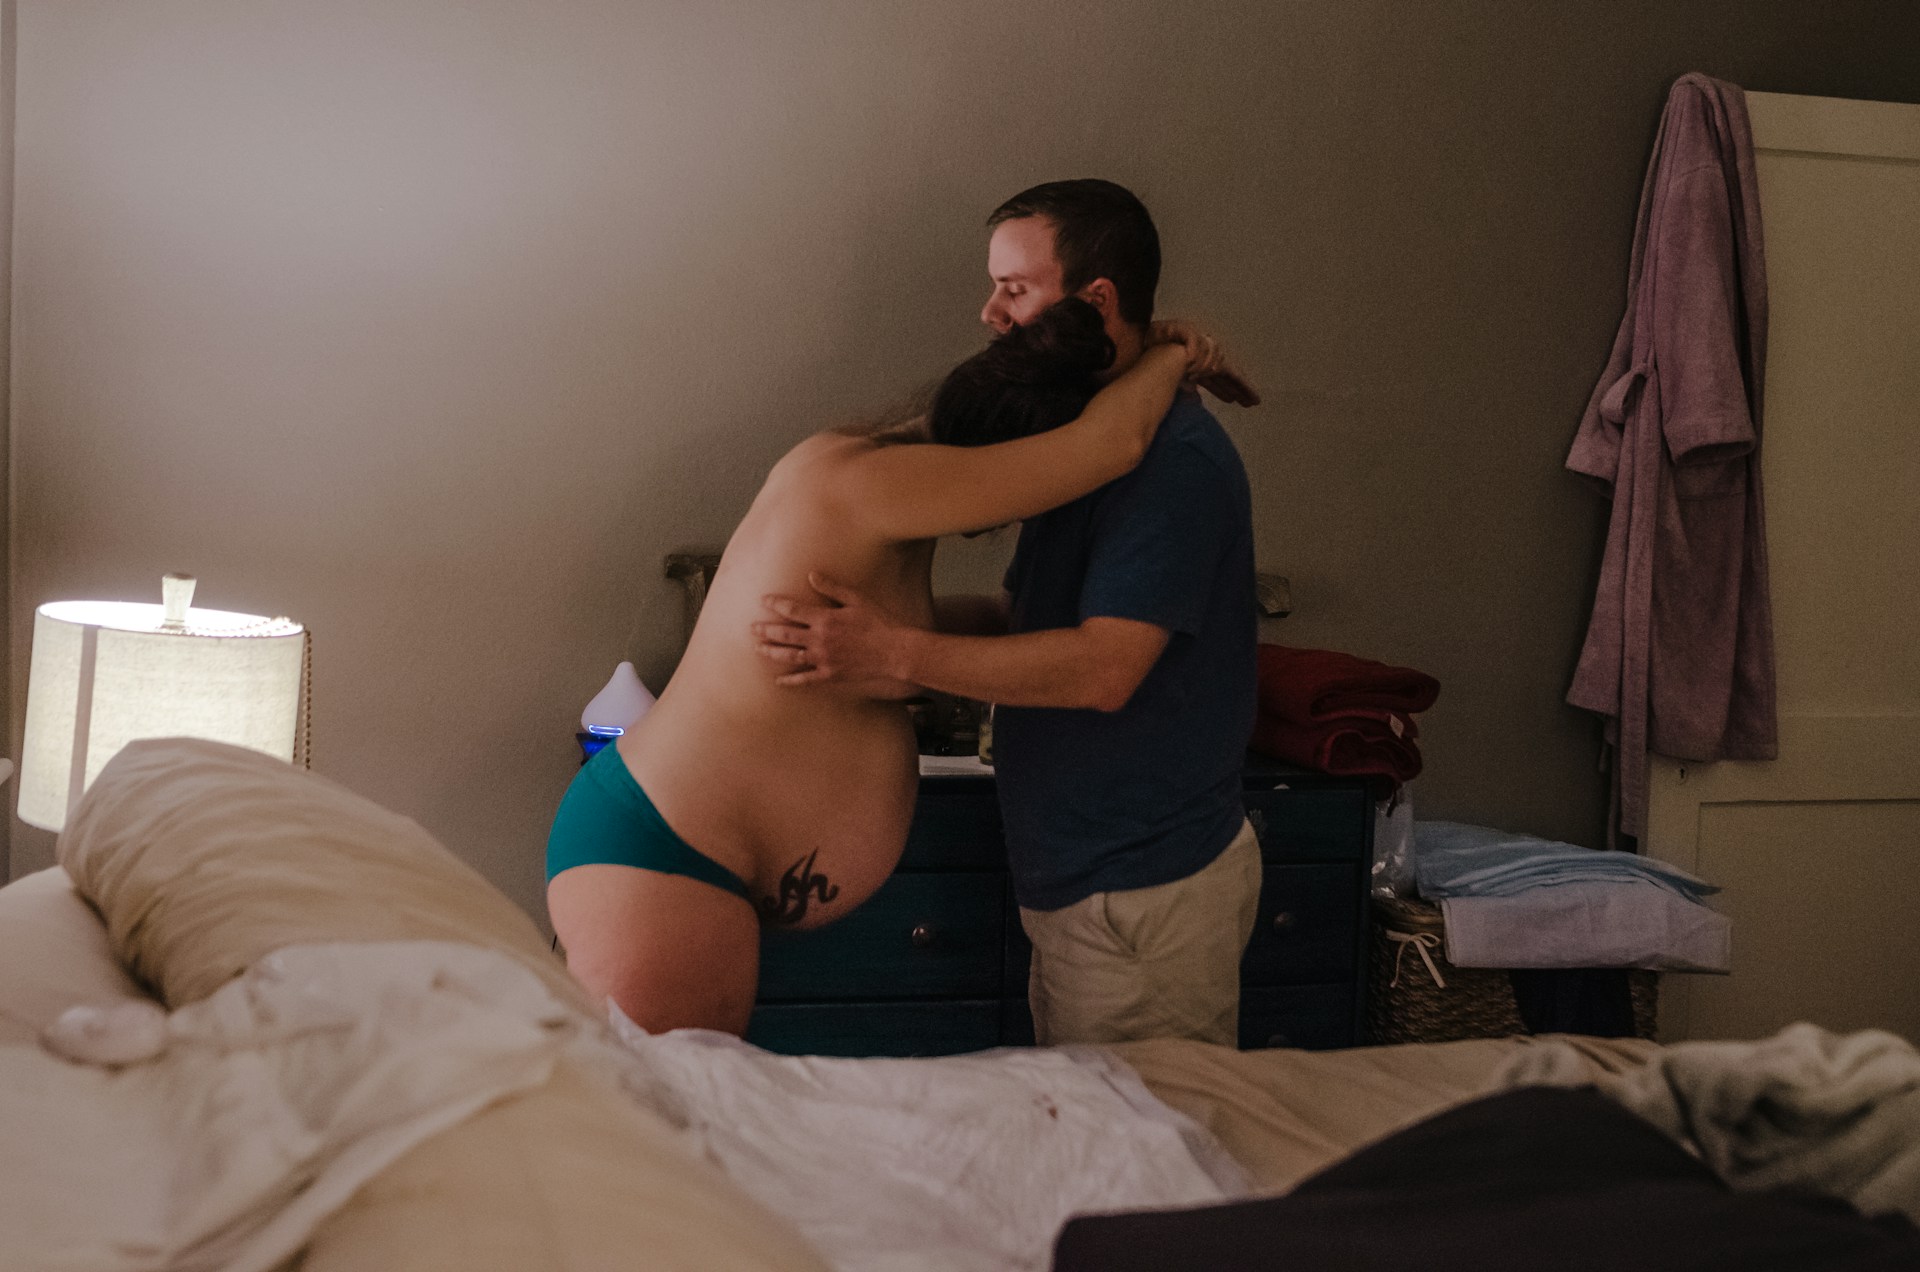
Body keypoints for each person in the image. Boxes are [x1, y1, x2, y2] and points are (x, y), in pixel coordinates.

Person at [547, 297, 1248, 1035]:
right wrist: (1175, 349)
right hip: (665, 849)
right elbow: (1109, 446)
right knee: (654, 1117)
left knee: (689, 1110)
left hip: (679, 848)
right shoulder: (878, 485)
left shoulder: (862, 472)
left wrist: (898, 647)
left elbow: (970, 629)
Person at [752, 179, 1264, 1047]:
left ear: (1096, 299)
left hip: (1140, 889)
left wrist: (899, 653)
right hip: (1082, 878)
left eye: (1015, 289)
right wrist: (862, 626)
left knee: (1141, 1154)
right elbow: (1025, 614)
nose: (990, 311)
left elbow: (1103, 669)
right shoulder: (1079, 442)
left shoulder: (1173, 464)